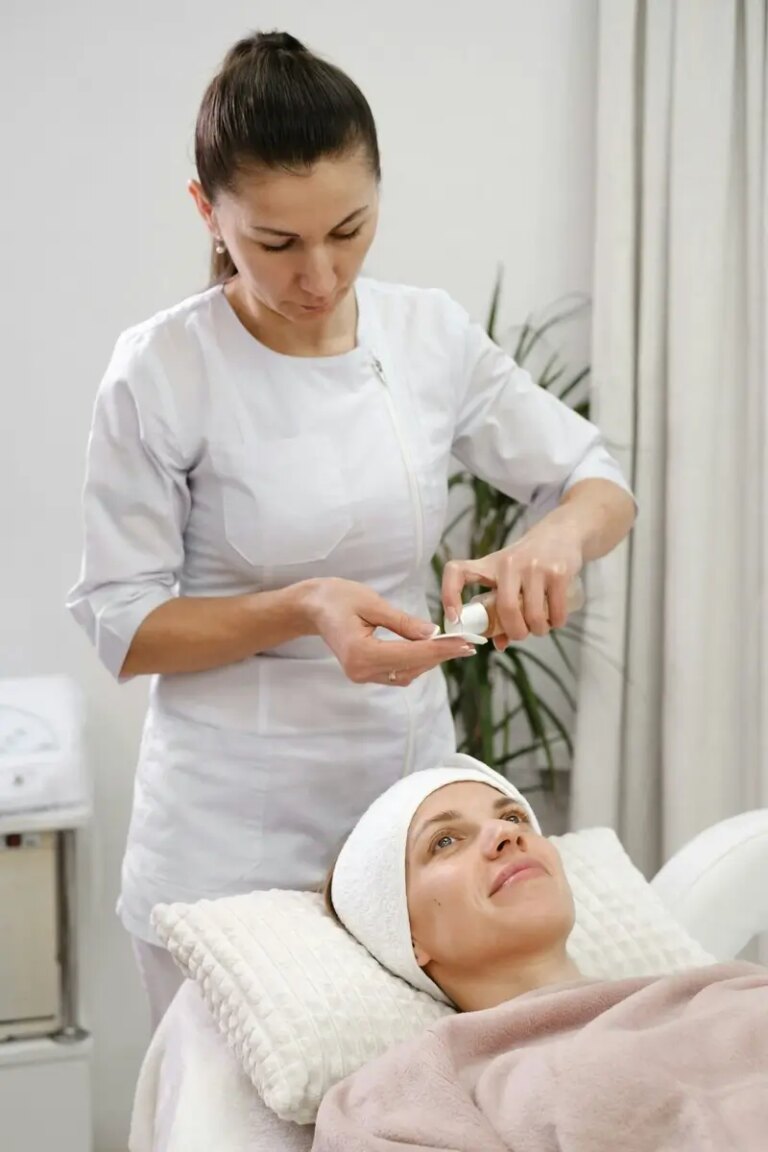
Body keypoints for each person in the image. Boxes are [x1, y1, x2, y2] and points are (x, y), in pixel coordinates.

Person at [67, 30, 636, 1030]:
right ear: (208, 214)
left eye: (351, 230)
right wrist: (304, 606)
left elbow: (596, 480)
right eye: (276, 244)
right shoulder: (161, 372)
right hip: (225, 836)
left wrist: (552, 543)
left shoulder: (427, 335)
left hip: (411, 822)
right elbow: (124, 622)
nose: (321, 277)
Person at [317, 759, 768, 1151]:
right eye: (445, 842)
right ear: (406, 935)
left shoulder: (725, 992)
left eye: (514, 817)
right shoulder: (407, 1098)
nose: (505, 834)